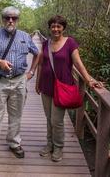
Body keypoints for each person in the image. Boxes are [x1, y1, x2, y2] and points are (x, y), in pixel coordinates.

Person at [35, 15, 104, 162]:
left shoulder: (70, 43)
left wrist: (89, 80)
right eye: (53, 26)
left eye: (58, 26)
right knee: (49, 118)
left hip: (62, 87)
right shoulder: (45, 43)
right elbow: (41, 64)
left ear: (63, 28)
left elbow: (78, 63)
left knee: (57, 120)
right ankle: (49, 144)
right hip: (46, 86)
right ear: (49, 28)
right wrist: (37, 82)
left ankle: (58, 147)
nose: (55, 29)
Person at [0, 6, 40, 165]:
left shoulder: (25, 36)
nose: (10, 20)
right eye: (7, 18)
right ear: (2, 19)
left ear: (18, 20)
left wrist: (31, 72)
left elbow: (38, 53)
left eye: (14, 18)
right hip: (0, 81)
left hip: (20, 80)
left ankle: (14, 143)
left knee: (16, 114)